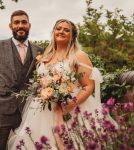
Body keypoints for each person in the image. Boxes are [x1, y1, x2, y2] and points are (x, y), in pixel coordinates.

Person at [7, 19, 116, 150]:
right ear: (53, 32)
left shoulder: (79, 56)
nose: (61, 31)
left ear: (73, 35)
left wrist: (67, 106)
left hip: (72, 107)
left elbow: (88, 86)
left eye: (66, 30)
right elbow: (39, 83)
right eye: (58, 28)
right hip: (42, 110)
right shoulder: (45, 56)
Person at [0, 10, 43, 150]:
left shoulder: (39, 50)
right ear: (10, 26)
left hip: (28, 110)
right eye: (16, 22)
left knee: (28, 146)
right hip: (2, 108)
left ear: (29, 25)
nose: (20, 25)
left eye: (24, 22)